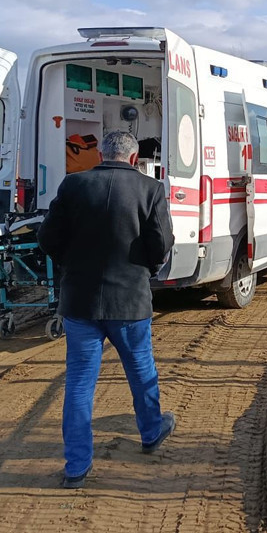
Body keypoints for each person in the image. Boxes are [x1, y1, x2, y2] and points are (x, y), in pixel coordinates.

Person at [37, 130, 177, 488]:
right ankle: (150, 432)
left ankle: (76, 467)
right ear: (133, 158)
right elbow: (161, 243)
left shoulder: (73, 185)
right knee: (141, 371)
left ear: (100, 154)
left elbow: (47, 238)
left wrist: (71, 265)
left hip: (80, 302)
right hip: (130, 302)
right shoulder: (150, 189)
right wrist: (145, 270)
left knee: (80, 384)